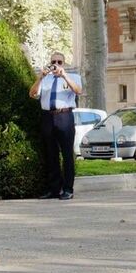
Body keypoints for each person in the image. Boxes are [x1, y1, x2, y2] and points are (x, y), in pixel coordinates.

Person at [30, 51, 84, 200]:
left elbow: (78, 91)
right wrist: (40, 78)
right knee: (51, 154)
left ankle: (68, 189)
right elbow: (33, 94)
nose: (56, 64)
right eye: (53, 61)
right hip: (48, 116)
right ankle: (53, 189)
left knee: (67, 155)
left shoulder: (73, 77)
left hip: (64, 116)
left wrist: (64, 75)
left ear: (64, 64)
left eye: (59, 62)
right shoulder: (45, 79)